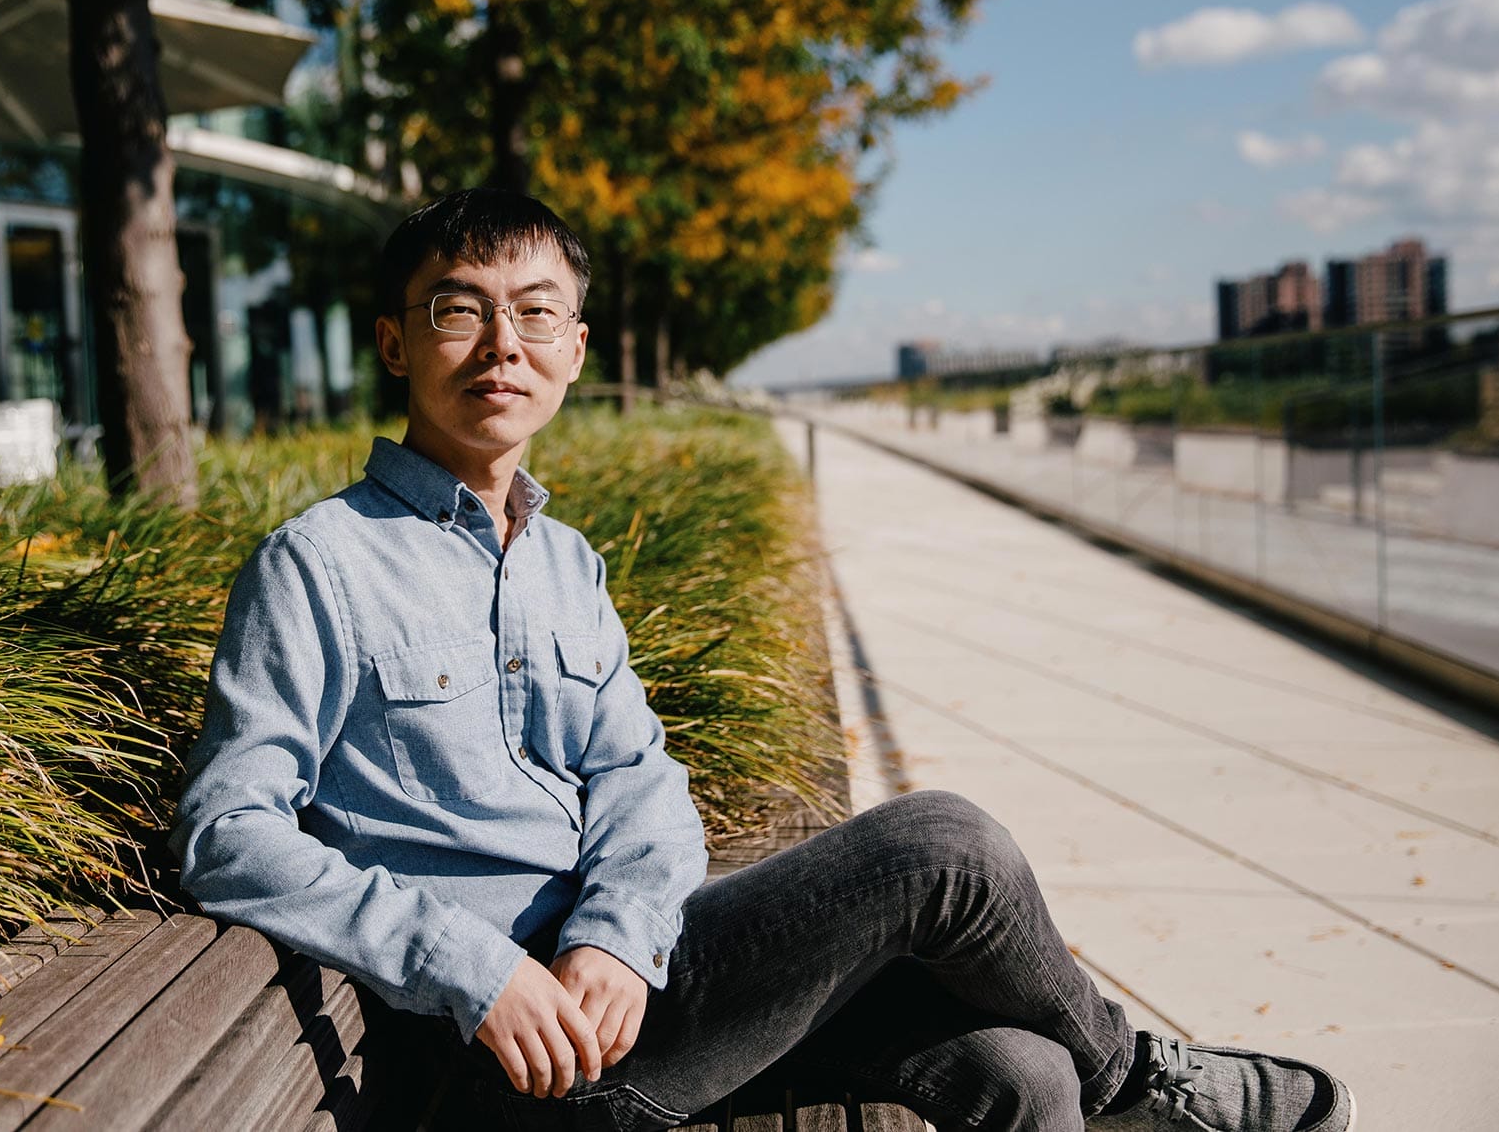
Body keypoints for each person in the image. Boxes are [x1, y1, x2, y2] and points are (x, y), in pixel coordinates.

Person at [170, 189, 1355, 1132]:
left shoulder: (563, 562)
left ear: (575, 351)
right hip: (503, 1062)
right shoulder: (317, 563)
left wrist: (614, 934)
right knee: (942, 845)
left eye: (534, 313)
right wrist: (474, 970)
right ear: (393, 340)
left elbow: (639, 782)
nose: (499, 344)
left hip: (640, 993)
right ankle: (1141, 1077)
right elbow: (229, 832)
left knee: (1014, 1069)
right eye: (456, 308)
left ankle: (1090, 1076)